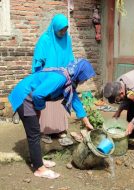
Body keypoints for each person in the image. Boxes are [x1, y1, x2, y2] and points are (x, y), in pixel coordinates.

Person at [8, 59, 95, 179]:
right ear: (80, 73)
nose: (86, 80)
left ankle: (37, 160)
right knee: (33, 133)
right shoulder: (60, 79)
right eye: (86, 77)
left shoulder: (69, 80)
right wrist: (39, 108)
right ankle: (39, 169)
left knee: (35, 132)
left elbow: (75, 99)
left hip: (30, 96)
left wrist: (87, 122)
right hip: (25, 97)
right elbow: (38, 95)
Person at [31, 14, 74, 144]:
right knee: (47, 102)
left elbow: (70, 57)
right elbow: (38, 59)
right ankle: (45, 131)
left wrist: (70, 72)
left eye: (65, 29)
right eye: (61, 29)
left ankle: (60, 130)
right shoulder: (45, 39)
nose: (63, 32)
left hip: (62, 77)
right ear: (54, 27)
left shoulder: (67, 39)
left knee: (61, 101)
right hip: (48, 78)